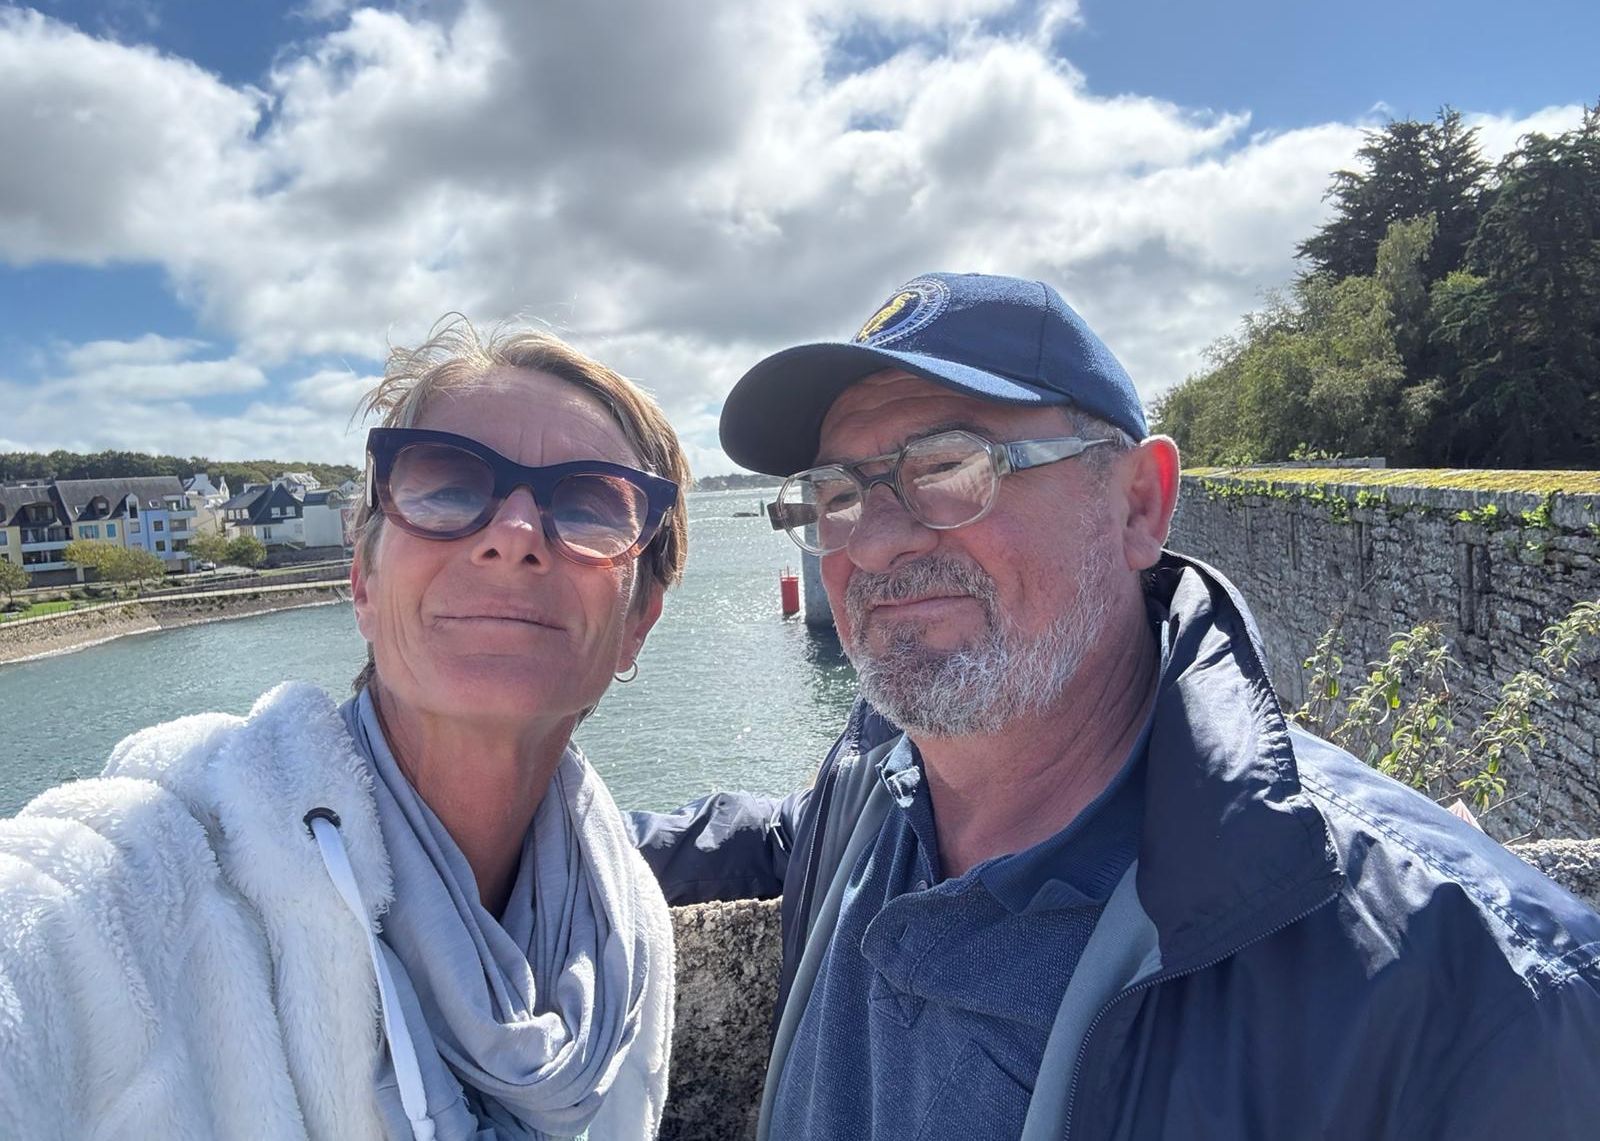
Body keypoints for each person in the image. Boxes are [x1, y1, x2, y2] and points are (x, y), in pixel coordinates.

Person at [629, 272, 1600, 1139]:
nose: (874, 541)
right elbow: (788, 835)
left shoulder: (1469, 995)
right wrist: (549, 832)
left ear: (1140, 503)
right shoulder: (876, 787)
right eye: (835, 494)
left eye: (948, 467)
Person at [0, 320, 688, 1141]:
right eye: (446, 488)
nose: (514, 536)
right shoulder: (128, 899)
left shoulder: (627, 933)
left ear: (638, 621)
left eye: (588, 506)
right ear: (363, 582)